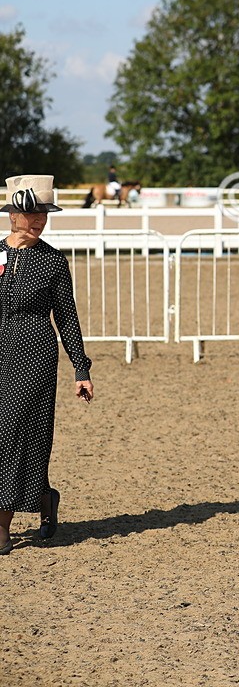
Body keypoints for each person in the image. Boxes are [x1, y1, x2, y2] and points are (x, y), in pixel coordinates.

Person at [0, 175, 94, 555]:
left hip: (35, 353)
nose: (38, 220)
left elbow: (67, 317)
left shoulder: (54, 261)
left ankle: (2, 527)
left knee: (10, 433)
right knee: (16, 436)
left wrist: (81, 369)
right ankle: (42, 495)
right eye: (31, 213)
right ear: (13, 214)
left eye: (44, 214)